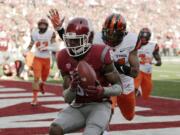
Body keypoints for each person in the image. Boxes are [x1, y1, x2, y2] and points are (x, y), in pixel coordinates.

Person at [48, 10, 139, 121]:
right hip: (107, 81)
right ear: (103, 31)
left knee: (129, 116)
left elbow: (135, 72)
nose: (111, 38)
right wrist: (59, 30)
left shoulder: (131, 40)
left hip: (125, 83)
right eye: (108, 33)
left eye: (115, 35)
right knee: (105, 112)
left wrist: (113, 64)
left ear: (123, 34)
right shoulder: (96, 38)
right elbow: (75, 43)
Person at [49, 17, 122, 135]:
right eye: (70, 40)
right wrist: (72, 88)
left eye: (76, 40)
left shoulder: (100, 53)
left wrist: (103, 91)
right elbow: (67, 99)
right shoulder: (63, 56)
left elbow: (119, 88)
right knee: (54, 130)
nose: (72, 44)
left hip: (100, 105)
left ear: (90, 38)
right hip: (78, 106)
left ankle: (102, 131)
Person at [24, 18, 57, 106]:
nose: (42, 26)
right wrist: (26, 51)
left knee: (44, 78)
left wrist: (46, 48)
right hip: (37, 58)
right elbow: (31, 44)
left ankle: (42, 84)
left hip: (46, 59)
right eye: (41, 24)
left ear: (46, 26)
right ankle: (34, 98)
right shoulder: (34, 33)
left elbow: (55, 47)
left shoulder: (51, 33)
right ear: (39, 25)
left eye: (44, 25)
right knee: (36, 78)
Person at [134, 27, 162, 99]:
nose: (143, 38)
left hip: (147, 72)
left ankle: (138, 91)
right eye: (142, 37)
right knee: (134, 88)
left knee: (146, 94)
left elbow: (158, 58)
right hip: (137, 70)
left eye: (145, 37)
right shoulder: (134, 45)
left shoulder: (153, 46)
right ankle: (135, 91)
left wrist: (158, 61)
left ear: (148, 37)